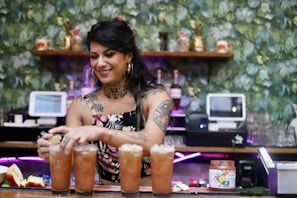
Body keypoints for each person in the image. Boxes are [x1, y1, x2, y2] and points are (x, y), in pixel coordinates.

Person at [37, 17, 172, 186]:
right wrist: (53, 152)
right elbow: (71, 157)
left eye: (109, 54)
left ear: (128, 56)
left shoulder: (155, 97)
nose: (100, 63)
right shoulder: (81, 105)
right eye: (94, 56)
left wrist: (101, 132)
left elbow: (153, 142)